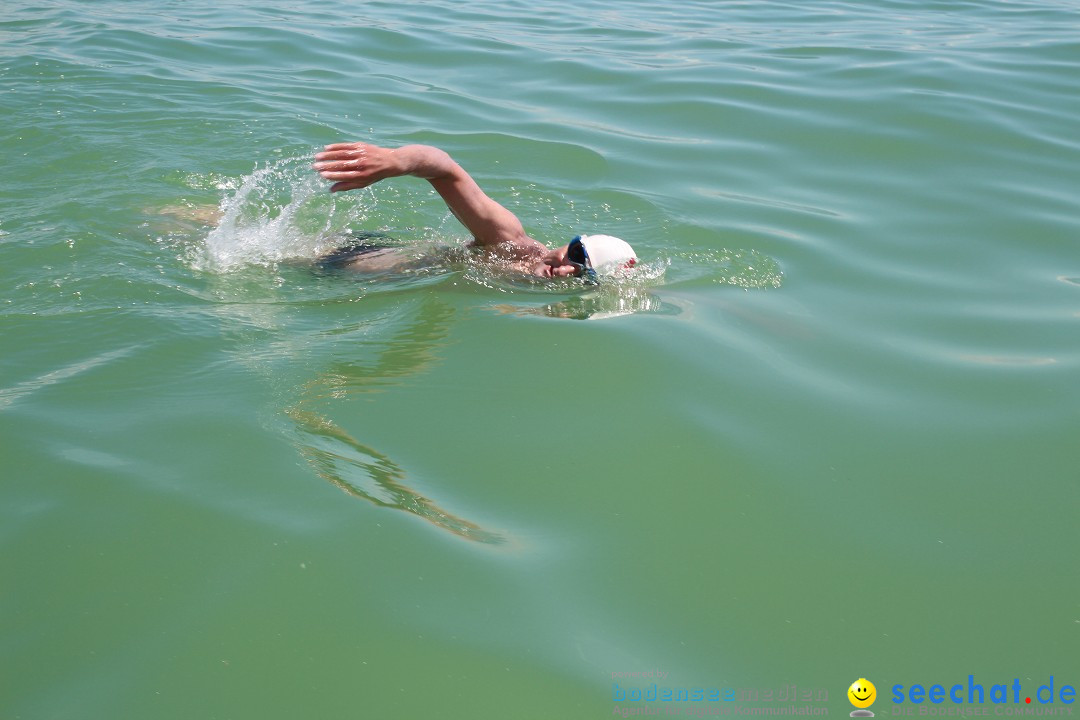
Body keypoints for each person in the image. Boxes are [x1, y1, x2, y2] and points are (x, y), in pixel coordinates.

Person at [312, 142, 637, 281]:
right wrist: (395, 161)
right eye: (576, 253)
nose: (566, 270)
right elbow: (444, 169)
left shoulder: (533, 294)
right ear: (569, 242)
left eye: (583, 272)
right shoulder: (513, 243)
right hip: (338, 260)